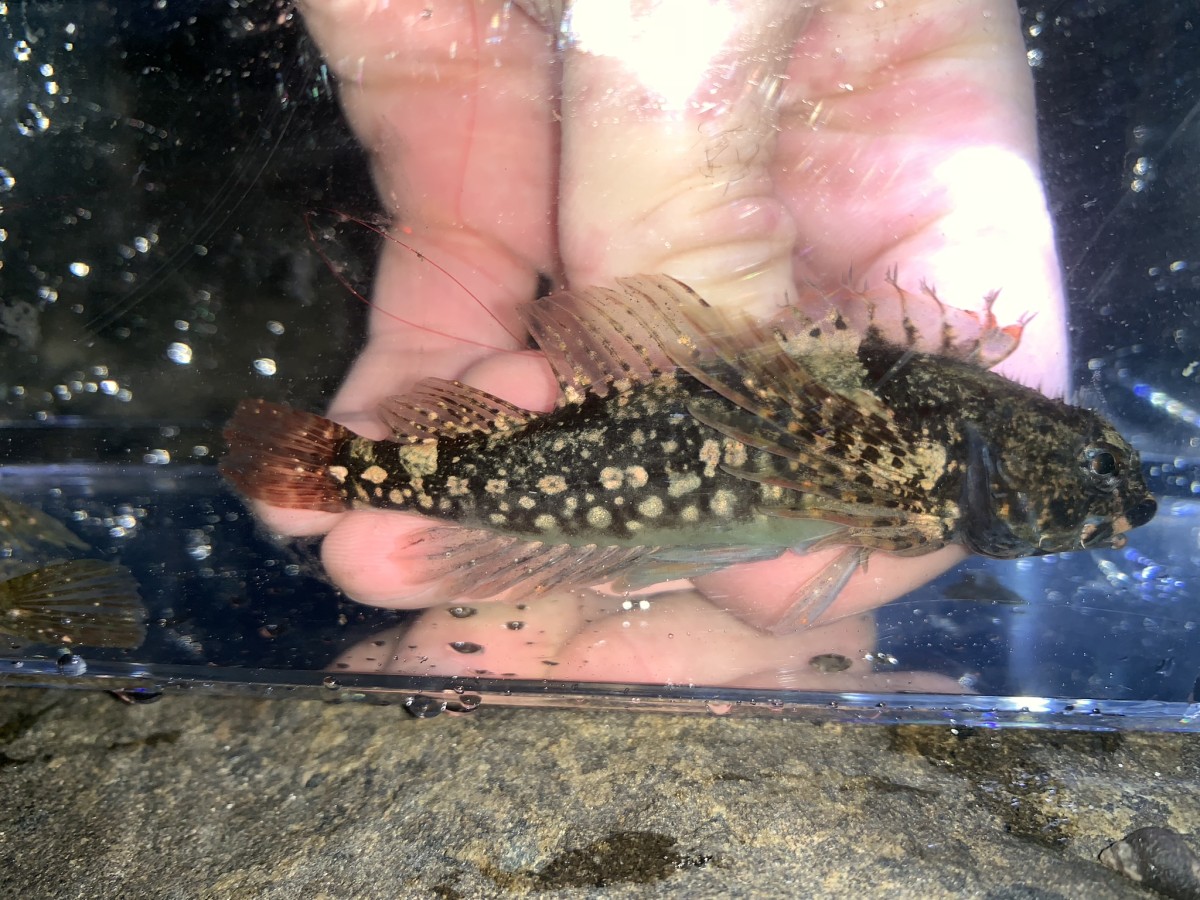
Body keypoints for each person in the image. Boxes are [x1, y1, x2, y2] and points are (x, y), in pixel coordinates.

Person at [266, 0, 1068, 687]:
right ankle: (349, 472)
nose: (1112, 499)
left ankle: (356, 473)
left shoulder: (930, 455)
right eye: (1093, 468)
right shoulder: (925, 456)